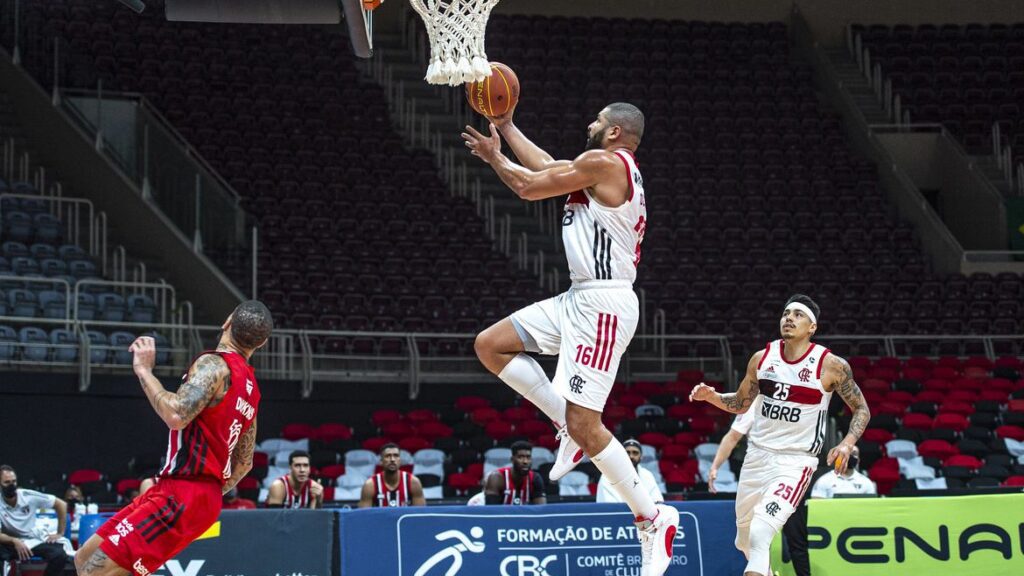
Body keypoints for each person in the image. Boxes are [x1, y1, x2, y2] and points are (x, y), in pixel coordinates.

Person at [464, 102, 679, 574]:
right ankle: (567, 425)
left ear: (614, 131)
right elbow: (546, 165)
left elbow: (527, 185)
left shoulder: (606, 163)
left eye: (597, 120)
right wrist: (507, 127)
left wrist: (494, 157)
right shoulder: (597, 167)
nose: (589, 124)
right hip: (578, 297)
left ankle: (652, 517)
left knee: (588, 424)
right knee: (490, 345)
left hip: (603, 305)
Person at [74, 300, 272, 576]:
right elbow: (244, 463)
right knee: (84, 558)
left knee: (94, 572)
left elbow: (176, 414)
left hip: (184, 491)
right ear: (260, 344)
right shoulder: (251, 391)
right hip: (193, 493)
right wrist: (206, 493)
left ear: (227, 322)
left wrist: (144, 371)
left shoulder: (216, 364)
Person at [689, 294, 871, 576]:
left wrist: (847, 444)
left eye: (798, 315)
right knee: (744, 540)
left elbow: (861, 409)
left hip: (795, 463)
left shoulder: (830, 365)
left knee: (762, 532)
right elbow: (741, 403)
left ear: (812, 327)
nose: (789, 318)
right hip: (757, 457)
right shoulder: (762, 359)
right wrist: (711, 397)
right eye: (786, 313)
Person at [708, 396, 812, 576]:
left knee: (793, 539)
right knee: (744, 542)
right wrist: (715, 466)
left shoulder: (799, 401)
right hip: (759, 473)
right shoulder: (753, 404)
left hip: (790, 472)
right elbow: (733, 436)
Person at [0, 465, 71, 576]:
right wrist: (15, 541)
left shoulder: (28, 495)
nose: (11, 485)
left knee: (59, 554)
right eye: (7, 482)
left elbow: (61, 504)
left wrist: (60, 533)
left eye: (14, 481)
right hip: (9, 543)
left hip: (32, 540)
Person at [596, 439, 663, 504]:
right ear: (621, 455)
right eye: (627, 453)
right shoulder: (608, 475)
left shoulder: (647, 475)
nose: (631, 456)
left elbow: (657, 501)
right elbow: (609, 506)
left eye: (635, 453)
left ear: (641, 457)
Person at [358, 444, 426, 508]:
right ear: (381, 461)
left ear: (400, 460)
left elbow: (419, 515)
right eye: (388, 456)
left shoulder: (413, 483)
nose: (392, 460)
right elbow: (364, 517)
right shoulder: (370, 485)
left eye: (396, 456)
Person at [483, 441, 546, 505]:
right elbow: (491, 511)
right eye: (520, 457)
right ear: (512, 459)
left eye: (528, 457)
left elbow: (541, 509)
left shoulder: (535, 478)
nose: (525, 461)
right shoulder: (497, 477)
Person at [810, 446, 876, 499]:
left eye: (854, 454)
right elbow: (816, 505)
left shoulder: (866, 482)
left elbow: (871, 506)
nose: (849, 456)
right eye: (846, 453)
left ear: (858, 460)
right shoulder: (824, 480)